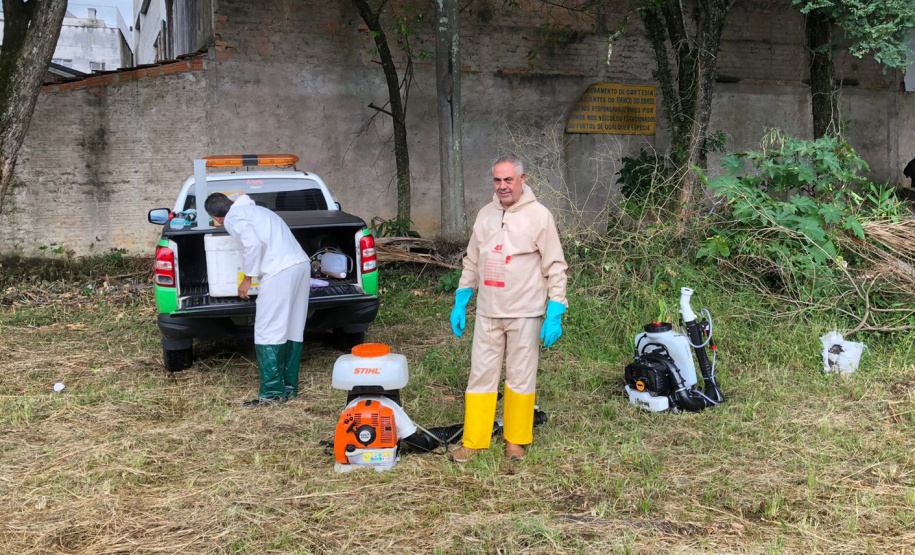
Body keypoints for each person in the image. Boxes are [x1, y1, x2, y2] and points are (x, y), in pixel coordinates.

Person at [449, 154, 568, 462]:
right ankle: (473, 441)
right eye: (497, 180)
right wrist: (463, 297)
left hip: (524, 311)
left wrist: (555, 308)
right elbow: (472, 260)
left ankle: (515, 440)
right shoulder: (486, 215)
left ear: (522, 179)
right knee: (481, 375)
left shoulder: (539, 216)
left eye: (508, 180)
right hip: (488, 311)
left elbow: (554, 265)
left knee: (520, 376)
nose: (502, 186)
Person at [204, 192, 311, 407]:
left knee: (268, 329)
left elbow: (253, 245)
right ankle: (289, 387)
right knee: (292, 327)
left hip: (278, 270)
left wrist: (247, 278)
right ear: (230, 202)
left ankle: (272, 394)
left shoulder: (233, 218)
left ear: (216, 218)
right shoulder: (259, 210)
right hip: (300, 265)